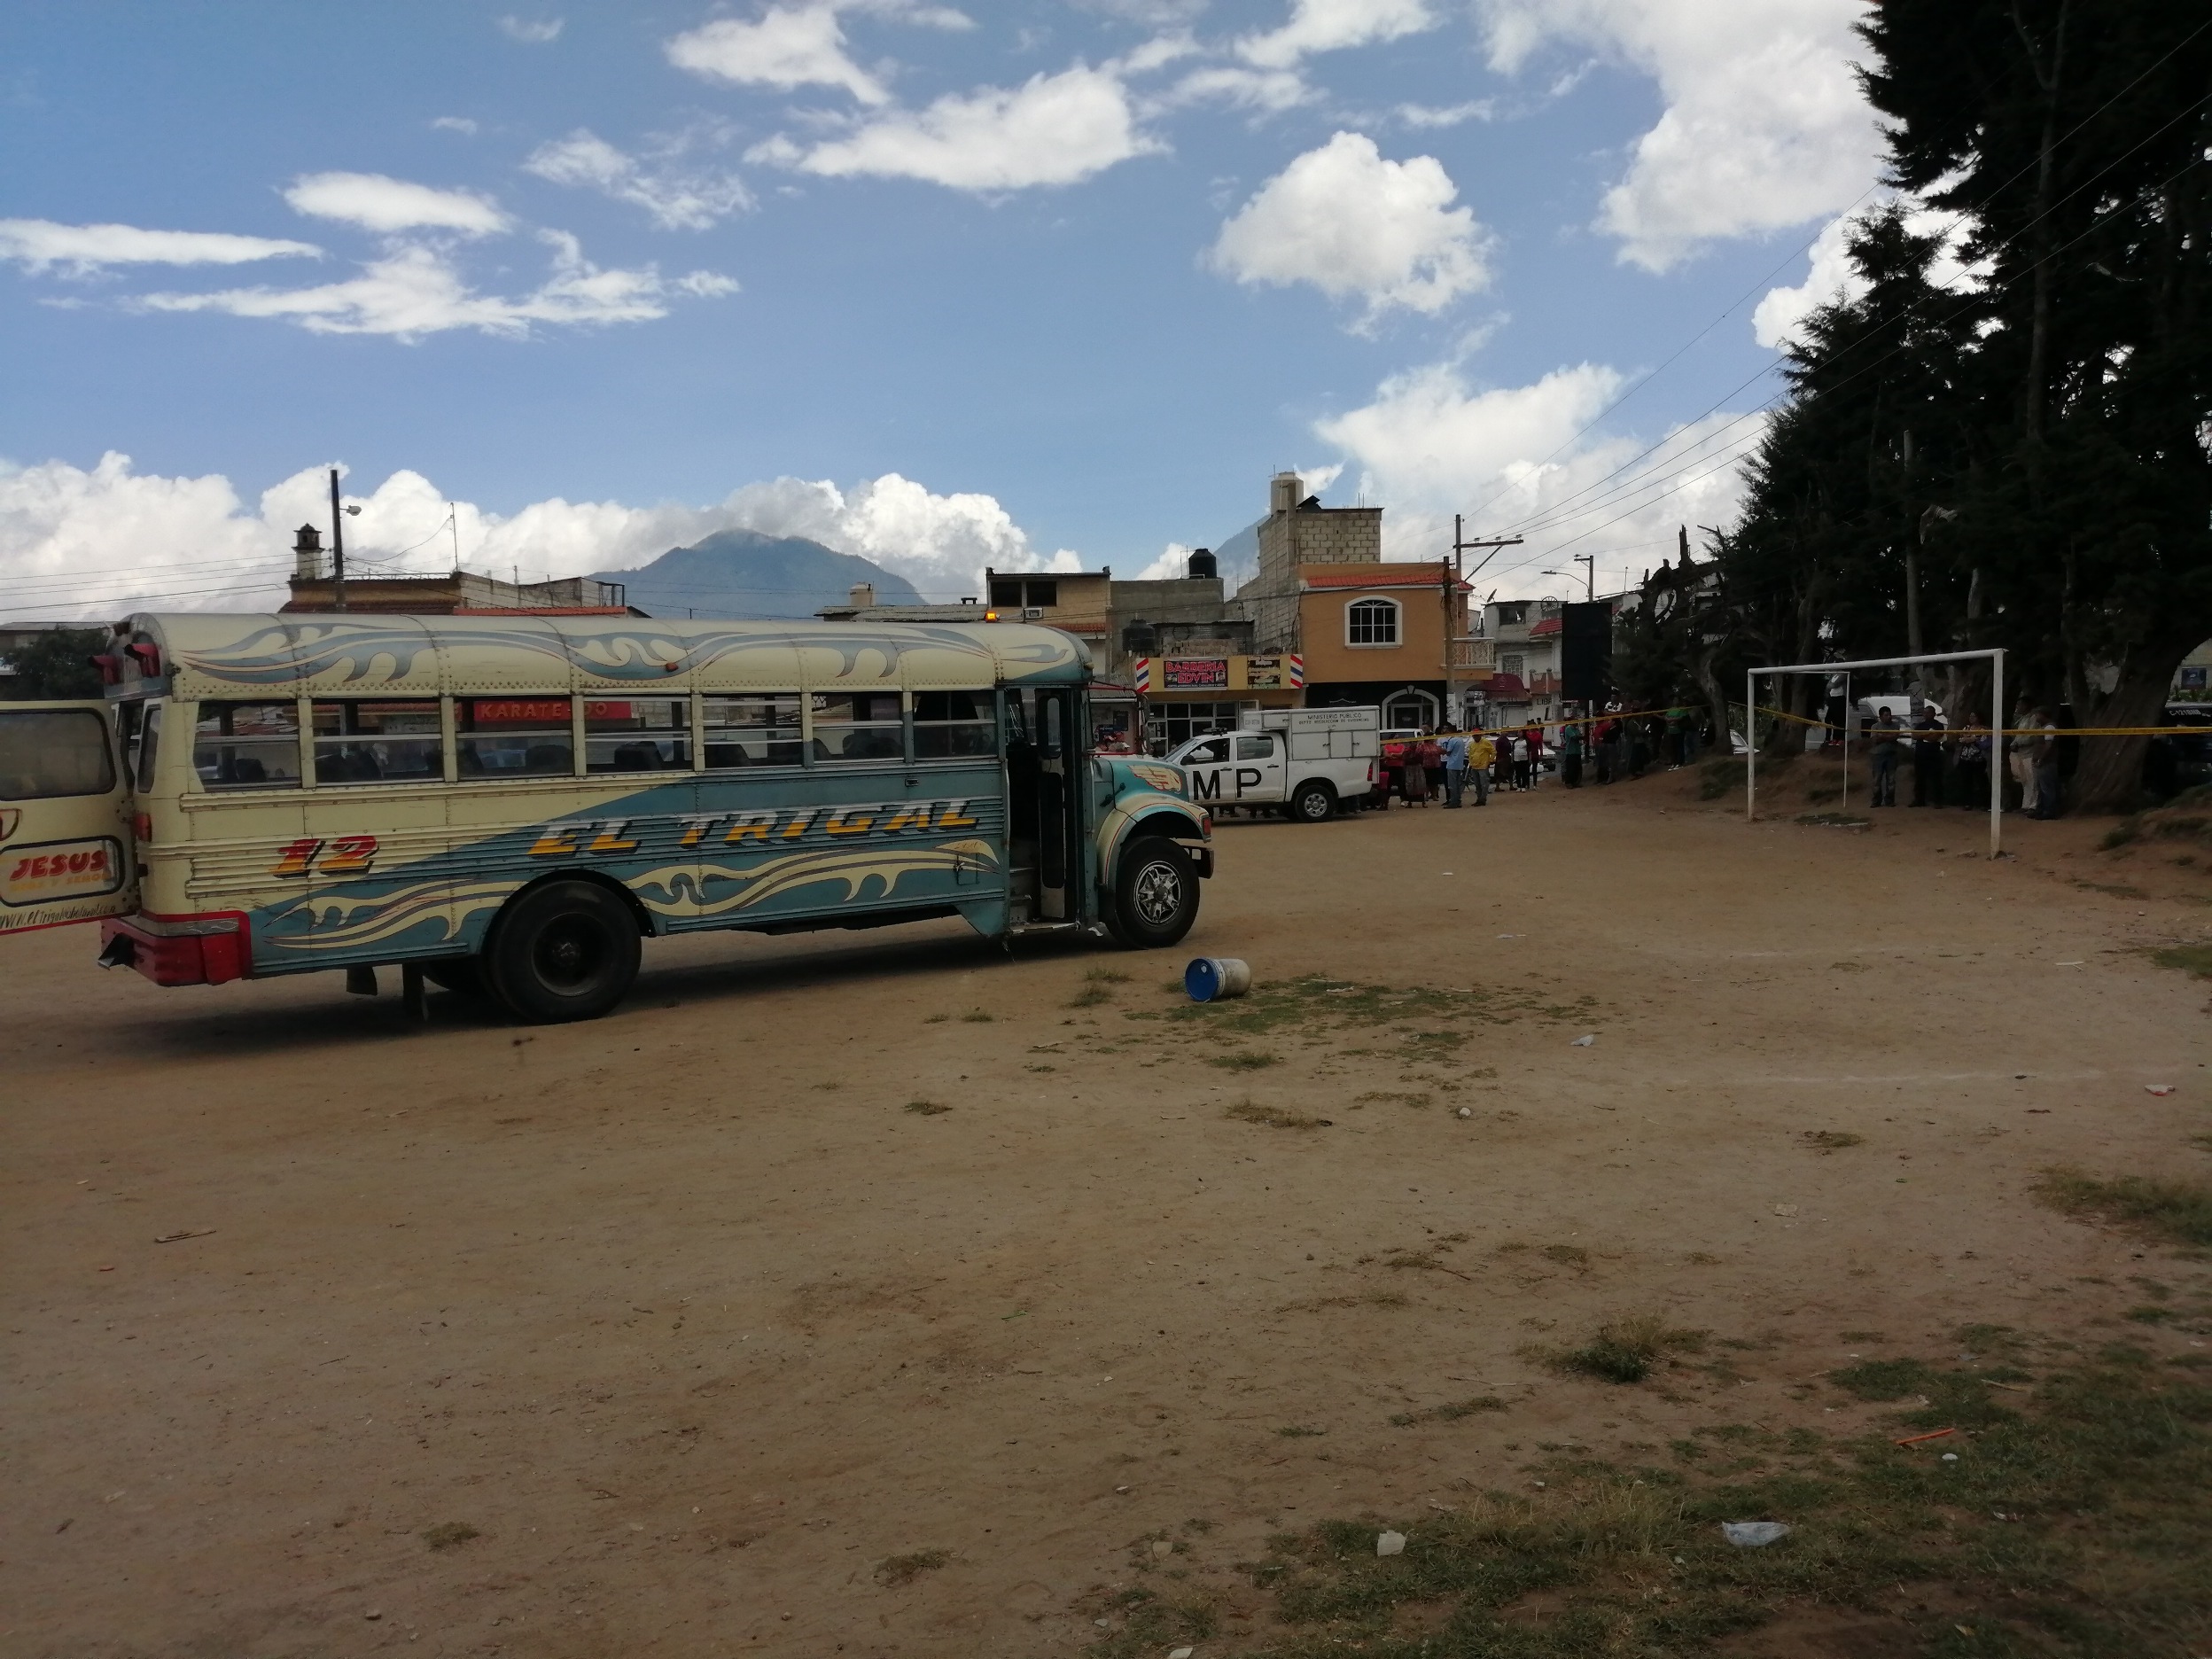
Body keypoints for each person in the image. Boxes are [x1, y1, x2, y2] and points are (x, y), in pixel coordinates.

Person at [2007, 704, 2040, 815]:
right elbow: (2018, 736)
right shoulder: (2022, 719)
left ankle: (2033, 806)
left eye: (2020, 705)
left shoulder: (2033, 718)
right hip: (2020, 753)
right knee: (2024, 781)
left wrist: (2019, 743)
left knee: (2033, 780)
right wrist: (2014, 743)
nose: (2018, 707)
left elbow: (2031, 735)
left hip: (2030, 752)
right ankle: (2025, 805)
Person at [2029, 707, 2061, 818]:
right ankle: (2040, 809)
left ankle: (2049, 812)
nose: (2036, 718)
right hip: (2042, 762)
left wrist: (2040, 759)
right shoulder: (2043, 727)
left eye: (2037, 715)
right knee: (2041, 787)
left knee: (2047, 788)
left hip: (2047, 763)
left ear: (2043, 715)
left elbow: (2048, 746)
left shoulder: (2049, 727)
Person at [1911, 705, 1944, 806]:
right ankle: (1919, 800)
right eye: (1924, 712)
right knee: (1919, 778)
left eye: (1928, 712)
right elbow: (1914, 736)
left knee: (1935, 778)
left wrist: (1922, 735)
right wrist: (1927, 734)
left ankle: (1937, 801)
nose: (1926, 714)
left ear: (1934, 714)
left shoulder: (1939, 725)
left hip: (1934, 754)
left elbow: (1934, 737)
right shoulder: (1920, 725)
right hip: (1920, 755)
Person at [1869, 708, 1902, 806]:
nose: (1889, 717)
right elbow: (1875, 740)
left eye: (1890, 714)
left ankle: (1890, 801)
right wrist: (1888, 736)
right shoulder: (1875, 726)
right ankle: (1876, 801)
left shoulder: (1896, 725)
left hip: (1891, 755)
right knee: (1877, 780)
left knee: (1891, 779)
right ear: (1881, 717)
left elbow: (1895, 737)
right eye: (1886, 715)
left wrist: (1882, 736)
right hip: (1878, 756)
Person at [1439, 726, 1469, 808]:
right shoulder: (1460, 740)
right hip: (1459, 764)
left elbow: (1448, 752)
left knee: (1452, 785)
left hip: (1452, 764)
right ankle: (1458, 801)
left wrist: (1442, 751)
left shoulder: (1452, 740)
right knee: (1457, 784)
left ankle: (1453, 802)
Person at [1468, 729, 1494, 805]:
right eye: (1474, 736)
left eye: (1476, 736)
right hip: (1474, 767)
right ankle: (1479, 799)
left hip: (1483, 766)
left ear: (1480, 735)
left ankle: (1483, 799)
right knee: (1477, 784)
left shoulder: (1485, 742)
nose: (1475, 737)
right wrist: (1471, 763)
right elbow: (1470, 754)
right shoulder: (1472, 744)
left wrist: (1490, 760)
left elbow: (1493, 751)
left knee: (1484, 784)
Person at [1559, 719, 1585, 788]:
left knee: (1577, 768)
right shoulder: (1568, 729)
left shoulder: (1576, 729)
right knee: (1570, 768)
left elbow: (1580, 736)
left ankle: (1575, 782)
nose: (1577, 724)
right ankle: (1568, 782)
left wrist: (1581, 737)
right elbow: (1575, 737)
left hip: (1577, 751)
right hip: (1570, 751)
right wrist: (1581, 737)